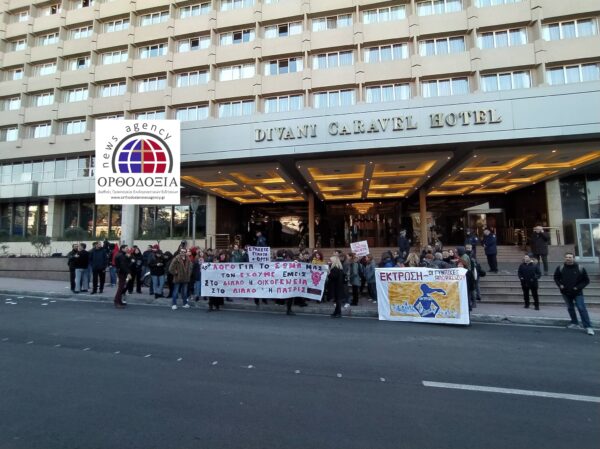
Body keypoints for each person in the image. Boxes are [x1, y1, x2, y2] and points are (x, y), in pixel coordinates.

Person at [553, 253, 594, 335]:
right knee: (570, 308)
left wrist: (577, 287)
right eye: (566, 257)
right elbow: (556, 277)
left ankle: (588, 327)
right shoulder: (560, 268)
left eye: (570, 257)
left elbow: (586, 280)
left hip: (577, 293)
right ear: (564, 258)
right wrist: (560, 285)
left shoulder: (580, 268)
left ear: (573, 258)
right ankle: (574, 322)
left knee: (581, 308)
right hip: (565, 292)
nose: (568, 258)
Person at [113, 244, 130, 309]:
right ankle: (117, 301)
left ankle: (119, 301)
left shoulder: (122, 255)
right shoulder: (121, 255)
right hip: (122, 272)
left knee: (122, 287)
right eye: (126, 248)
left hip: (121, 272)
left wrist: (128, 257)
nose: (127, 249)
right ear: (122, 249)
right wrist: (128, 273)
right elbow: (123, 265)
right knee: (120, 288)